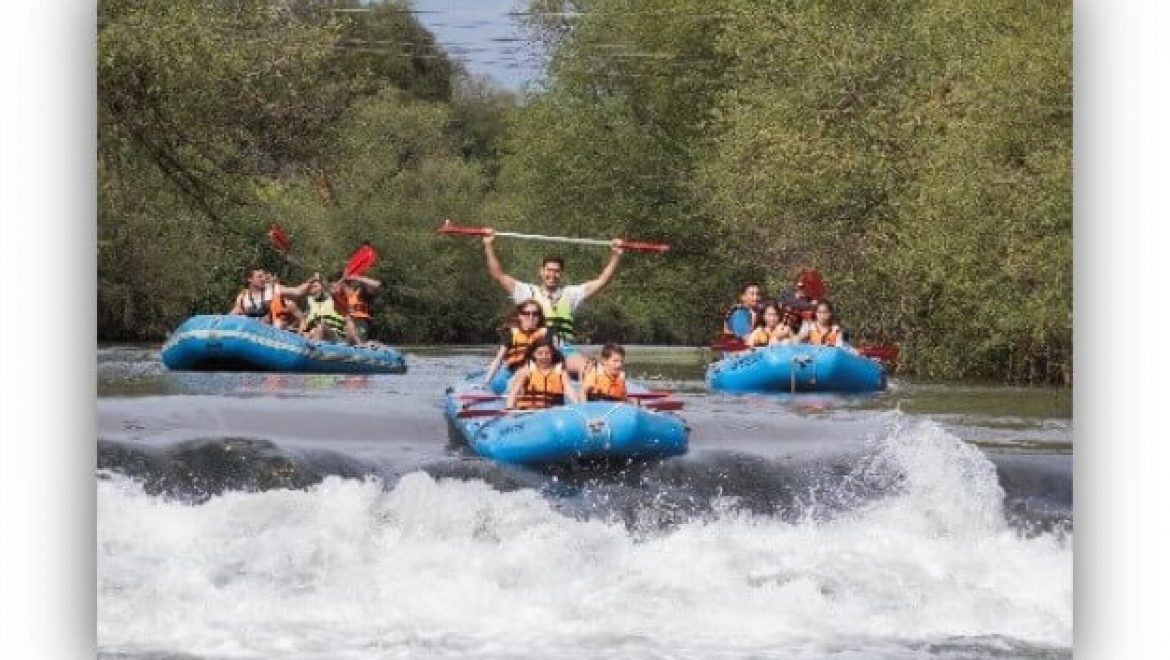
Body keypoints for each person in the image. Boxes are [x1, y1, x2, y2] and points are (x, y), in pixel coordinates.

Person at [482, 229, 624, 373]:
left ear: (561, 274)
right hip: (536, 349)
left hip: (563, 349)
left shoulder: (570, 294)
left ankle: (597, 383)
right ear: (541, 271)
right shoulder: (527, 292)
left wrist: (615, 256)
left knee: (588, 368)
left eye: (556, 271)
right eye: (549, 270)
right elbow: (497, 274)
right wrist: (489, 245)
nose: (552, 274)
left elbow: (602, 281)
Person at [483, 299, 553, 388]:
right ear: (520, 316)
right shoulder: (511, 334)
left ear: (539, 317)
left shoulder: (545, 333)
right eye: (527, 313)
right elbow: (499, 359)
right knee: (497, 385)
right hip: (511, 371)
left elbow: (553, 359)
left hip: (534, 371)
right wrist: (486, 382)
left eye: (535, 314)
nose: (531, 317)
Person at [506, 338, 581, 410]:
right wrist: (509, 408)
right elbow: (514, 392)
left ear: (552, 354)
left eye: (547, 353)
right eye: (540, 353)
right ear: (533, 354)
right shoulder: (527, 370)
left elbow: (569, 390)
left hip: (553, 412)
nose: (544, 357)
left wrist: (578, 406)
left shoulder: (560, 371)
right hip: (529, 412)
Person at [229, 266, 316, 325]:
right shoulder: (243, 298)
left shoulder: (274, 289)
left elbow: (298, 291)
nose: (263, 279)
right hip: (254, 333)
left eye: (263, 276)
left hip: (275, 331)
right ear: (250, 279)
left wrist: (311, 280)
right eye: (259, 277)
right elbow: (232, 315)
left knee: (284, 303)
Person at [332, 273, 382, 346]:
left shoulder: (361, 293)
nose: (334, 289)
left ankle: (361, 344)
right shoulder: (338, 297)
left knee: (349, 319)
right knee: (346, 319)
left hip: (361, 325)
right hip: (347, 329)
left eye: (335, 286)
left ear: (344, 285)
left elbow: (377, 284)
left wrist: (356, 278)